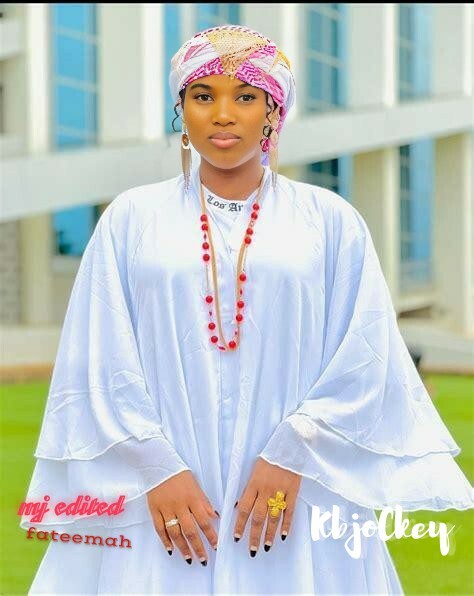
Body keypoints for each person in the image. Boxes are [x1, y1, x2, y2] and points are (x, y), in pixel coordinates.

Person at [22, 24, 473, 595]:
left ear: (273, 112)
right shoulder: (132, 220)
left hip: (297, 490)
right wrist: (155, 468)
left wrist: (295, 452)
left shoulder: (328, 221)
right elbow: (98, 355)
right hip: (161, 494)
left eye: (245, 96)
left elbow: (366, 354)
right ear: (180, 110)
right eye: (202, 95)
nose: (223, 114)